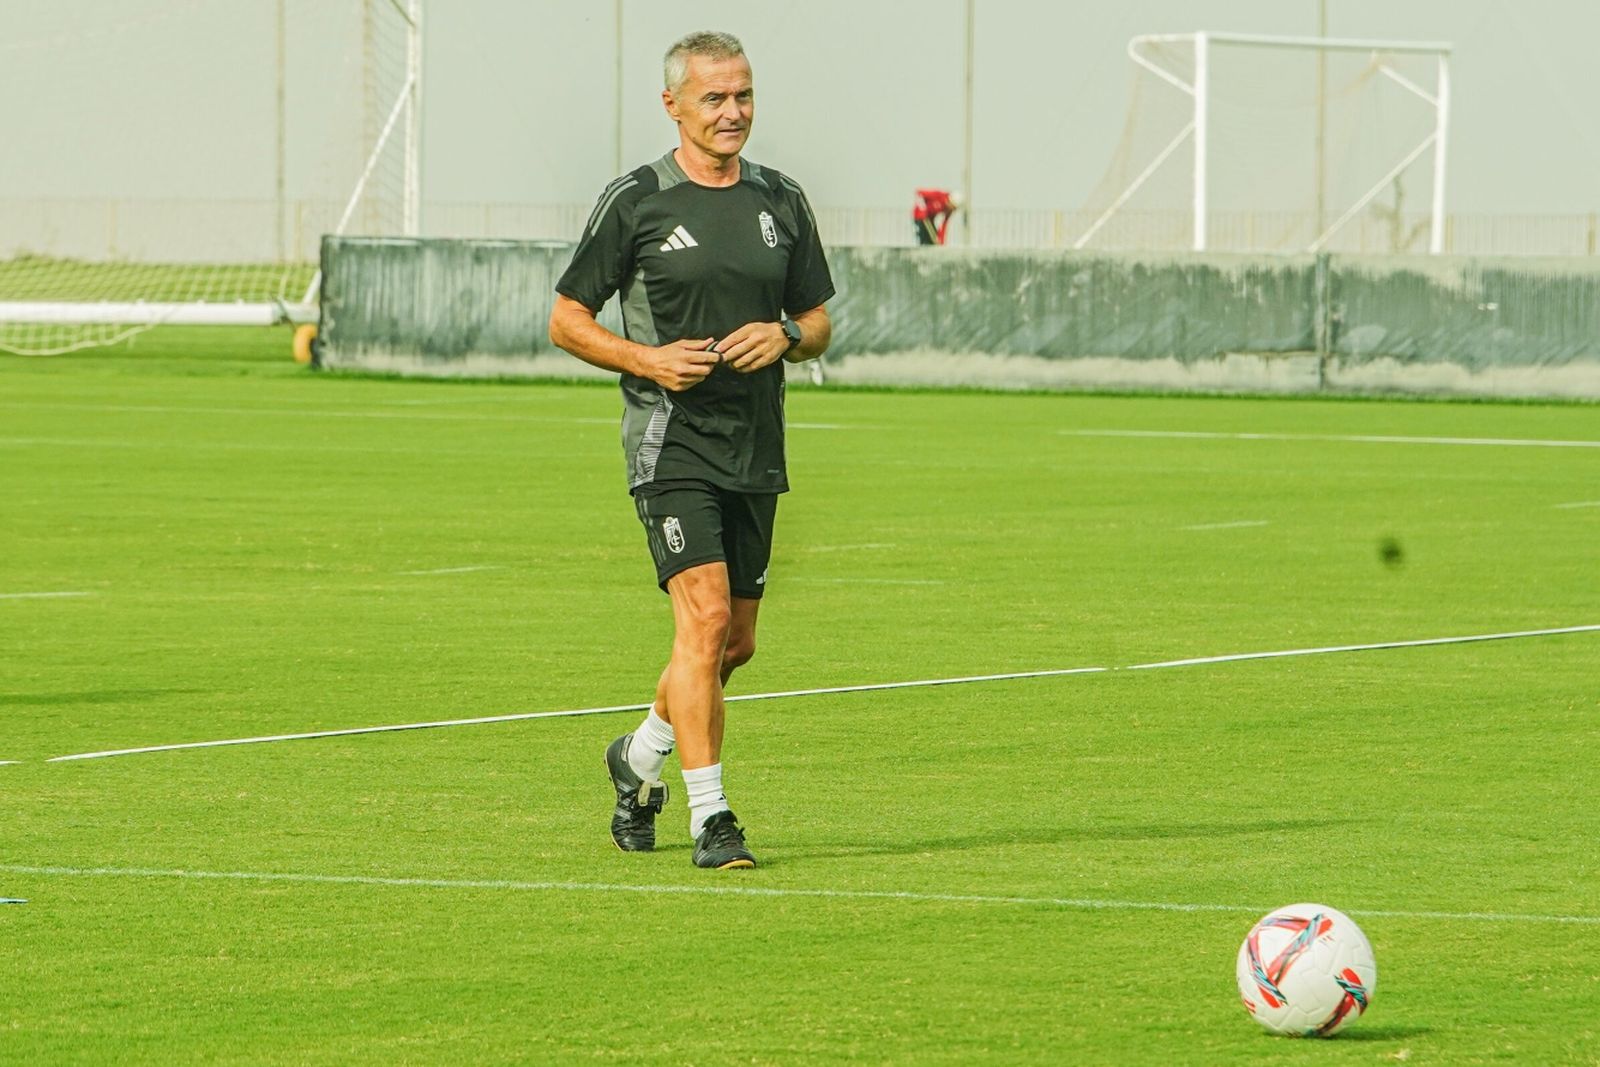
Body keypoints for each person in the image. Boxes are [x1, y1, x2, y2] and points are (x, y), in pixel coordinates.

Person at [548, 30, 834, 870]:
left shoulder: (782, 199)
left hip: (757, 445)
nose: (733, 111)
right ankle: (713, 819)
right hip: (670, 445)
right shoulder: (636, 201)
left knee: (731, 644)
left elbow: (817, 321)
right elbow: (567, 317)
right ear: (672, 105)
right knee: (702, 620)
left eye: (743, 95)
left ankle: (638, 756)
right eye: (714, 98)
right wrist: (647, 359)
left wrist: (785, 334)